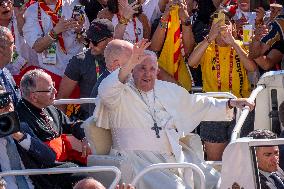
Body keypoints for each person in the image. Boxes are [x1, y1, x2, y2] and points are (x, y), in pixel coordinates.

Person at [95, 39, 254, 189]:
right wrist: (131, 62)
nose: (147, 74)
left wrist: (230, 103)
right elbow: (106, 90)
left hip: (176, 157)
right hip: (141, 163)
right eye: (141, 67)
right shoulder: (118, 93)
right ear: (131, 68)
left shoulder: (164, 88)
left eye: (152, 69)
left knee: (219, 182)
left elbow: (194, 104)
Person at [187, 11, 256, 161]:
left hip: (240, 106)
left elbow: (252, 67)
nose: (222, 26)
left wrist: (233, 43)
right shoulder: (205, 46)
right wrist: (209, 38)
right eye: (217, 23)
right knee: (215, 159)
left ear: (233, 27)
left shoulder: (240, 45)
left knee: (241, 158)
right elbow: (192, 63)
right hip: (213, 107)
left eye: (227, 22)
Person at [22, 0, 90, 87]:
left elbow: (88, 40)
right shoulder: (32, 11)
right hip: (51, 73)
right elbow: (37, 47)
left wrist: (80, 31)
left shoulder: (75, 5)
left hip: (77, 72)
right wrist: (54, 32)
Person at [57, 19, 114, 119]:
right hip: (90, 119)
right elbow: (61, 100)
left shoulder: (123, 57)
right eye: (88, 40)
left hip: (116, 118)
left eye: (95, 42)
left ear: (110, 40)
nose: (90, 45)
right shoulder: (79, 61)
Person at [88, 39, 132, 116]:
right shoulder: (107, 87)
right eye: (131, 61)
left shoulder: (117, 80)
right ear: (117, 64)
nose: (135, 64)